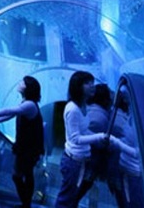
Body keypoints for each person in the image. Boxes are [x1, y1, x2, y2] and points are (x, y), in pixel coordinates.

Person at [0, 76, 44, 208]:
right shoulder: (27, 103)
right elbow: (12, 114)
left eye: (23, 82)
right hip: (28, 147)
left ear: (28, 88)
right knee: (27, 174)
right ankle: (26, 203)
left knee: (18, 176)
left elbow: (10, 111)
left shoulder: (29, 104)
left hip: (28, 149)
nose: (19, 83)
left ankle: (25, 203)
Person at [55, 71, 108, 208]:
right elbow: (75, 138)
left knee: (72, 198)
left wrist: (97, 139)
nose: (92, 86)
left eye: (92, 83)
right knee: (65, 200)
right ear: (77, 86)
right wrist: (98, 137)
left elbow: (84, 131)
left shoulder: (83, 105)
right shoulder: (72, 109)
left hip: (81, 160)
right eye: (87, 83)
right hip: (73, 162)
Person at [75, 83, 113, 202]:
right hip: (87, 166)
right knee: (75, 195)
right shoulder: (100, 116)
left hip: (83, 165)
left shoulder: (90, 112)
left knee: (74, 195)